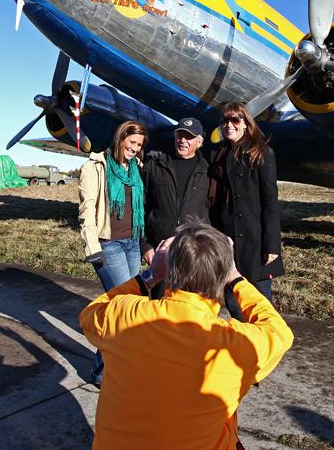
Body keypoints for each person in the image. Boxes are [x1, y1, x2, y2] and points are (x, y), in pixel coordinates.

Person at [79, 219, 294, 450]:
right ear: (222, 279)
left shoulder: (124, 314)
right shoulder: (234, 344)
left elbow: (91, 314)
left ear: (171, 271)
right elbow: (279, 332)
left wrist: (150, 275)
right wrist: (236, 279)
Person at [78, 120, 150, 386]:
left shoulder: (135, 169)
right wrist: (92, 247)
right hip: (109, 244)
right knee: (122, 308)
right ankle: (102, 372)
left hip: (131, 242)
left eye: (139, 145)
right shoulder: (97, 167)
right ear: (120, 139)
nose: (134, 149)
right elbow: (87, 209)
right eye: (131, 143)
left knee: (128, 308)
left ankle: (110, 366)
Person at [209, 102, 284, 319]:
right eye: (225, 120)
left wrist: (272, 245)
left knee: (261, 303)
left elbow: (270, 202)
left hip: (255, 239)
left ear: (246, 123)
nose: (229, 125)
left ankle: (265, 347)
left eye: (235, 120)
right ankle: (242, 345)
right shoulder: (220, 154)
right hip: (227, 239)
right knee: (233, 301)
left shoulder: (262, 153)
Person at [142, 117, 209, 298]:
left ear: (200, 141)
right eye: (180, 135)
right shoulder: (155, 166)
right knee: (157, 308)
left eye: (189, 136)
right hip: (161, 253)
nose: (183, 140)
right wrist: (146, 245)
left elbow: (212, 213)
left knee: (192, 311)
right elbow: (142, 207)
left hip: (194, 255)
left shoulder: (208, 172)